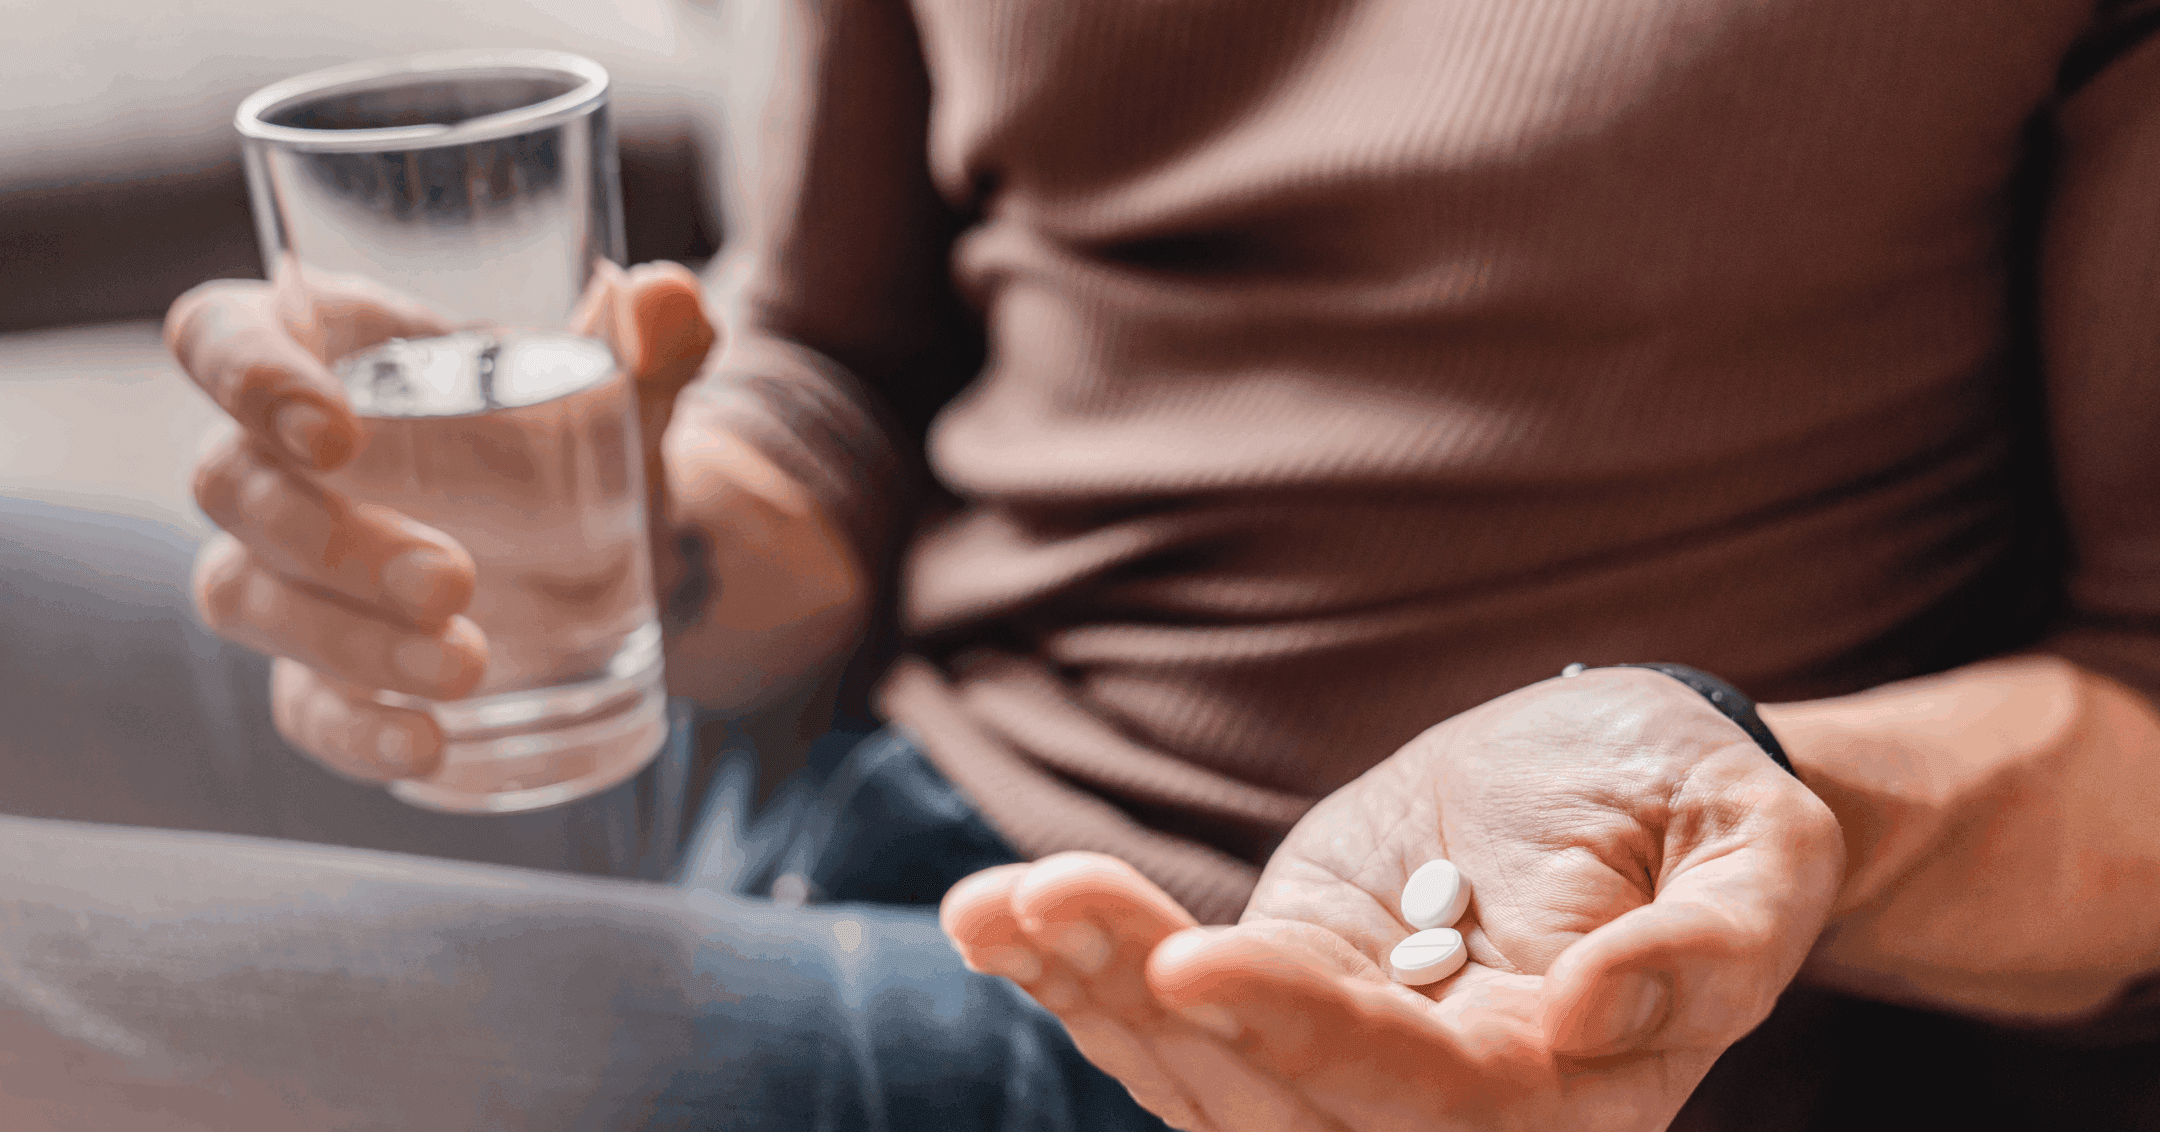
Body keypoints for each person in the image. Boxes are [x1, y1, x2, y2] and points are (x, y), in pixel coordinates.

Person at [11, 0, 2160, 1128]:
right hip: (810, 749)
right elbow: (839, 366)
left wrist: (1738, 785)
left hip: (1305, 1028)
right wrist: (633, 539)